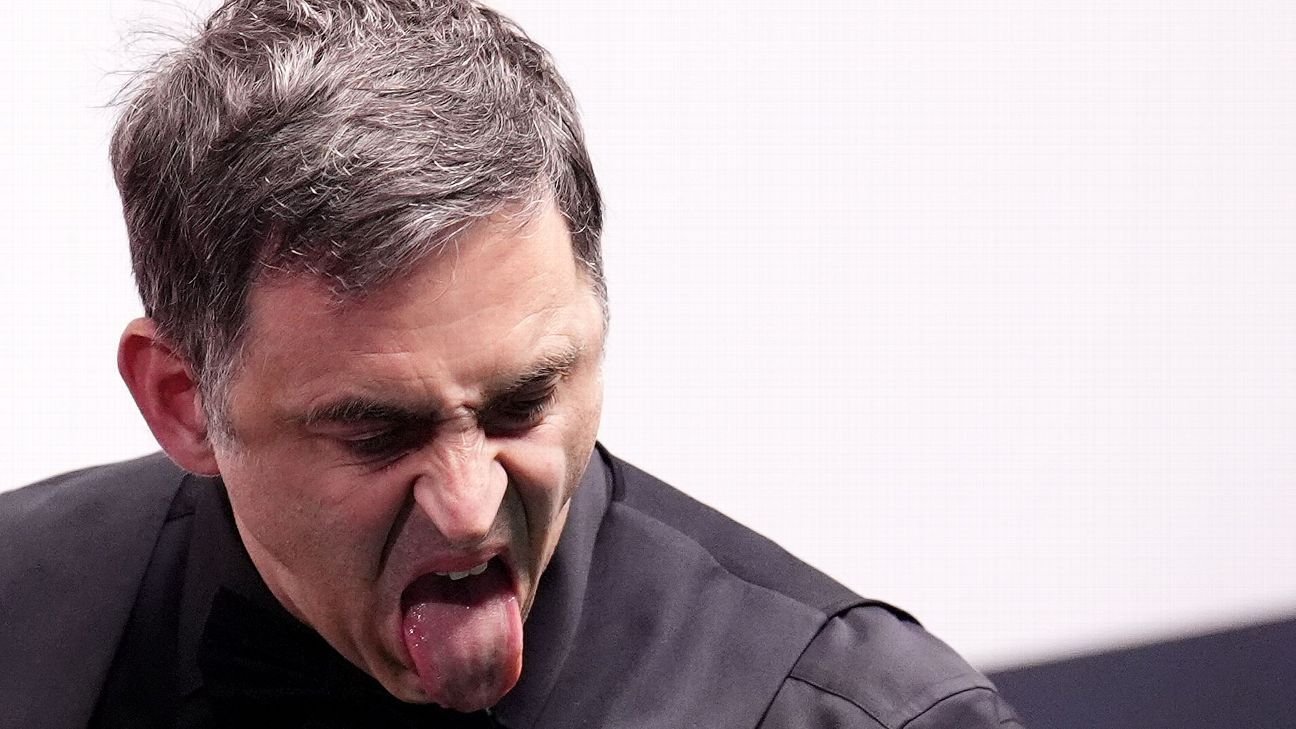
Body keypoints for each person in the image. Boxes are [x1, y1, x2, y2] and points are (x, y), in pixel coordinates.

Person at [0, 1, 1022, 727]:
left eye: (522, 402)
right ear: (182, 400)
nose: (467, 508)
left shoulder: (856, 715)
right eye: (377, 431)